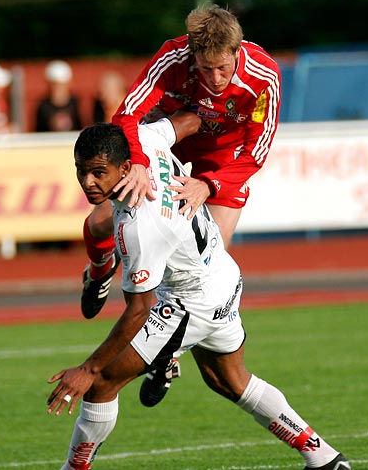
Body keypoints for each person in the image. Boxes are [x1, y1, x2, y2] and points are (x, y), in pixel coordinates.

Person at [46, 120, 350, 470]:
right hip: (222, 275)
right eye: (81, 172)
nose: (88, 182)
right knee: (230, 381)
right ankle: (324, 457)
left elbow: (138, 311)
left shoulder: (139, 228)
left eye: (99, 172)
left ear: (127, 168)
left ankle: (75, 467)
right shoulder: (147, 137)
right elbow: (190, 119)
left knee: (101, 382)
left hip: (187, 304)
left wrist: (88, 368)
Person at [81, 4, 281, 317]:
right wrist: (138, 163)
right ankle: (99, 268)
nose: (214, 78)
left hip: (221, 156)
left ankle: (167, 349)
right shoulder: (174, 55)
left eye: (223, 68)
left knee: (203, 266)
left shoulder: (263, 76)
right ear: (192, 54)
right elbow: (127, 113)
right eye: (205, 69)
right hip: (173, 139)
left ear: (237, 51)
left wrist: (208, 184)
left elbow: (256, 149)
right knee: (98, 224)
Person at [35, 60, 82, 132]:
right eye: (54, 84)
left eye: (60, 84)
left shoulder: (76, 104)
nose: (57, 88)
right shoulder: (43, 106)